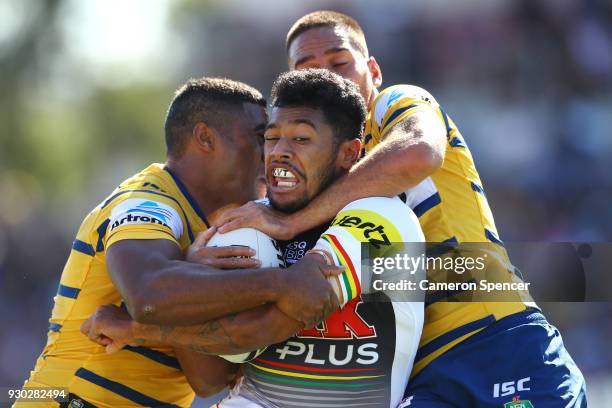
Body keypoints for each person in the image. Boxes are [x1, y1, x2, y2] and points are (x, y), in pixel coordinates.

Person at [215, 11, 587, 407]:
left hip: (495, 339)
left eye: (340, 63)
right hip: (421, 373)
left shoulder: (393, 105)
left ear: (373, 71)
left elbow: (418, 153)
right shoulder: (304, 168)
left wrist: (292, 224)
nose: (329, 76)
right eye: (309, 69)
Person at [82, 69, 426, 408]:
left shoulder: (384, 218)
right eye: (271, 138)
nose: (279, 152)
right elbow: (208, 379)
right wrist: (190, 269)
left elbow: (272, 323)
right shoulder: (247, 221)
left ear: (349, 154)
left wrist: (138, 330)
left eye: (301, 139)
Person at [15, 77, 341, 408]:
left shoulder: (213, 231)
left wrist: (182, 276)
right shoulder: (147, 202)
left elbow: (209, 380)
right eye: (261, 138)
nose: (270, 154)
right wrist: (281, 284)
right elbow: (147, 295)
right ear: (205, 138)